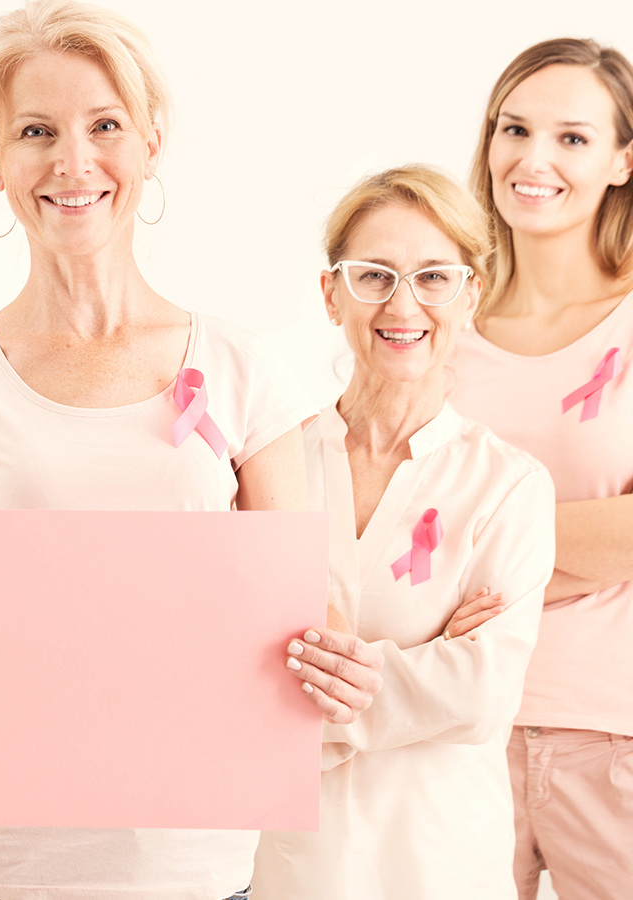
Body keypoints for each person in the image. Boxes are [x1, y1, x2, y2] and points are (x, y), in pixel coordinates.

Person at [0, 3, 383, 899]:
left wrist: (337, 672)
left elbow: (308, 620)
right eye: (37, 131)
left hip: (190, 871)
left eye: (104, 125)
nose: (74, 162)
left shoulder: (243, 370)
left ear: (151, 141)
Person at [251, 166, 555, 899]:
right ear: (332, 295)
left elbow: (483, 694)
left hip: (442, 865)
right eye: (374, 276)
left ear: (470, 293)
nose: (403, 303)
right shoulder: (268, 463)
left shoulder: (508, 485)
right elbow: (230, 676)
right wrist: (421, 668)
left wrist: (316, 690)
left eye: (433, 277)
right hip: (294, 869)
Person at [451, 38, 633, 900]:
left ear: (622, 159)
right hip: (456, 729)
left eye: (572, 138)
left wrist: (484, 547)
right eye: (514, 128)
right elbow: (388, 521)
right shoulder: (435, 321)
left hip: (612, 736)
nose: (533, 159)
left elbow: (448, 543)